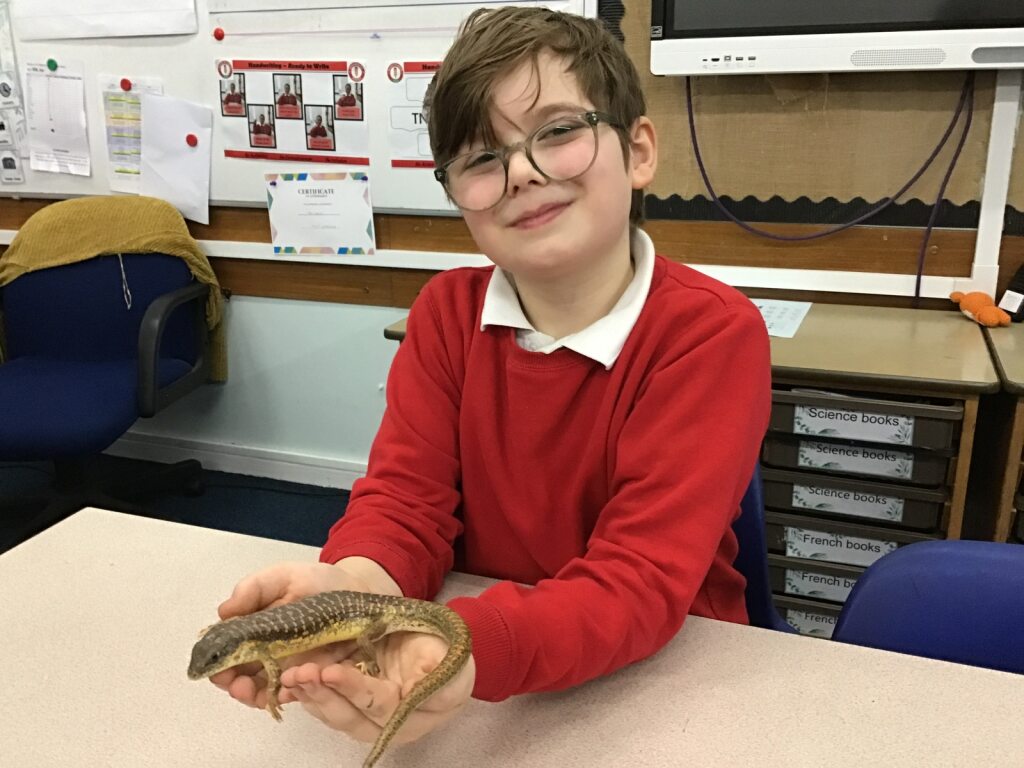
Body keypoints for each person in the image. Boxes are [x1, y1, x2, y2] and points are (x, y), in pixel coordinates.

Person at [211, 5, 770, 749]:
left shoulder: (710, 335)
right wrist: (355, 589)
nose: (522, 173)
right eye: (481, 160)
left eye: (559, 132)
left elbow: (638, 579)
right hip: (486, 671)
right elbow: (406, 502)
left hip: (665, 681)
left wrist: (461, 645)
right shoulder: (446, 314)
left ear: (638, 151)